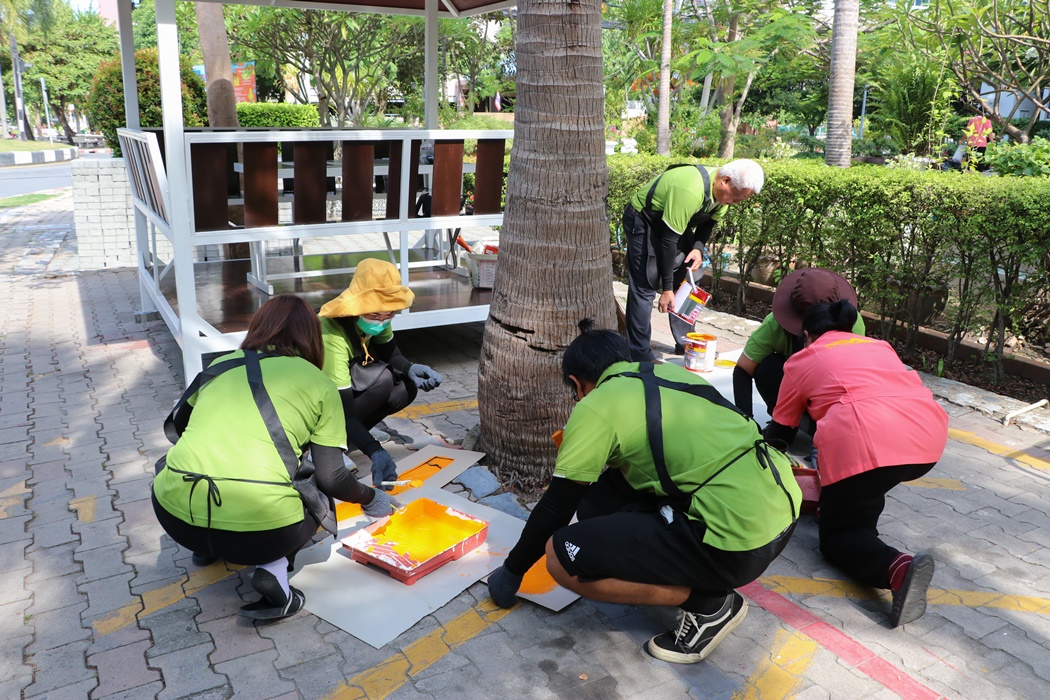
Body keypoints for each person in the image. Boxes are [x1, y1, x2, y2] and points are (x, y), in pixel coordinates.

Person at [487, 321, 800, 664]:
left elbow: (555, 508)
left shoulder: (596, 405)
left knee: (561, 559)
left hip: (738, 545)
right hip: (781, 512)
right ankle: (681, 562)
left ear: (577, 383)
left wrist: (512, 571)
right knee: (597, 499)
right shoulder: (671, 373)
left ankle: (710, 605)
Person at [152, 294, 397, 620]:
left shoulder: (220, 366)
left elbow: (180, 427)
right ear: (311, 336)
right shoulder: (319, 383)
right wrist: (370, 497)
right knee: (313, 485)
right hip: (262, 535)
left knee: (169, 464)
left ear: (259, 327)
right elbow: (333, 478)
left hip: (175, 519)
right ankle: (274, 570)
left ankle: (204, 550)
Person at [764, 300, 949, 627]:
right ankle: (857, 519)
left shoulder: (804, 358)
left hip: (866, 441)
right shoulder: (879, 346)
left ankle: (899, 569)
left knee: (837, 538)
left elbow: (781, 432)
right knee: (865, 487)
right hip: (927, 440)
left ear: (807, 335)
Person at [317, 258, 443, 490]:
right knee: (382, 380)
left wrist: (411, 368)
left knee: (406, 386)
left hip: (341, 391)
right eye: (375, 315)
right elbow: (341, 410)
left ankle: (351, 439)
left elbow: (391, 354)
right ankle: (326, 447)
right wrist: (375, 450)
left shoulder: (380, 316)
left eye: (389, 315)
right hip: (316, 400)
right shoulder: (331, 333)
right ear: (357, 307)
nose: (382, 322)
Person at [623, 159, 764, 361]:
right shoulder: (690, 189)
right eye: (735, 197)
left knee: (689, 278)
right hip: (644, 219)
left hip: (674, 224)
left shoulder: (722, 196)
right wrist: (667, 290)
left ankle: (687, 343)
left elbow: (708, 225)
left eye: (740, 200)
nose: (735, 202)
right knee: (645, 283)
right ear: (725, 181)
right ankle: (639, 354)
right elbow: (668, 242)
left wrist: (697, 248)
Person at [733, 267, 865, 421]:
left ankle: (813, 425)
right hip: (791, 391)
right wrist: (746, 421)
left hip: (830, 397)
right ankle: (785, 421)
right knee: (768, 367)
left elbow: (854, 382)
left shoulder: (852, 326)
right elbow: (743, 369)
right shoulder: (774, 324)